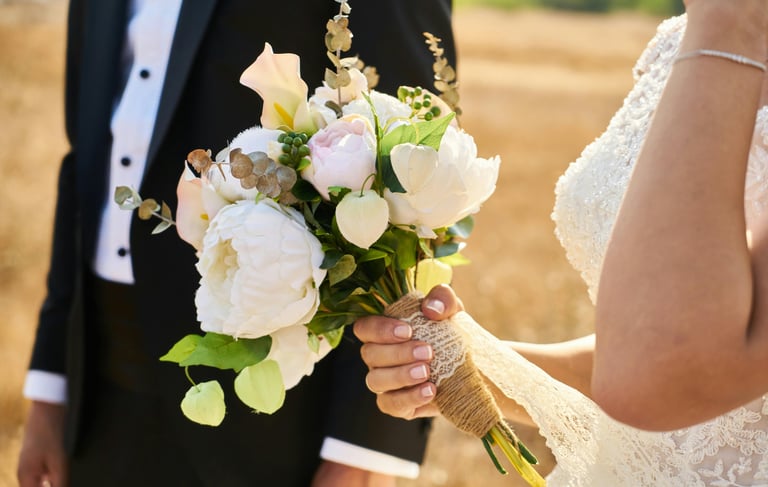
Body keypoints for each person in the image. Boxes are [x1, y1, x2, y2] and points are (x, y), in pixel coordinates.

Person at [17, 1, 455, 486]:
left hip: (273, 420)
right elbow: (86, 153)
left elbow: (416, 176)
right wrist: (51, 385)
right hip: (99, 394)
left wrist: (364, 453)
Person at [353, 1, 768, 485]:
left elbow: (661, 373)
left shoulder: (726, 26)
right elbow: (660, 344)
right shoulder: (690, 36)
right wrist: (480, 368)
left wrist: (729, 23)